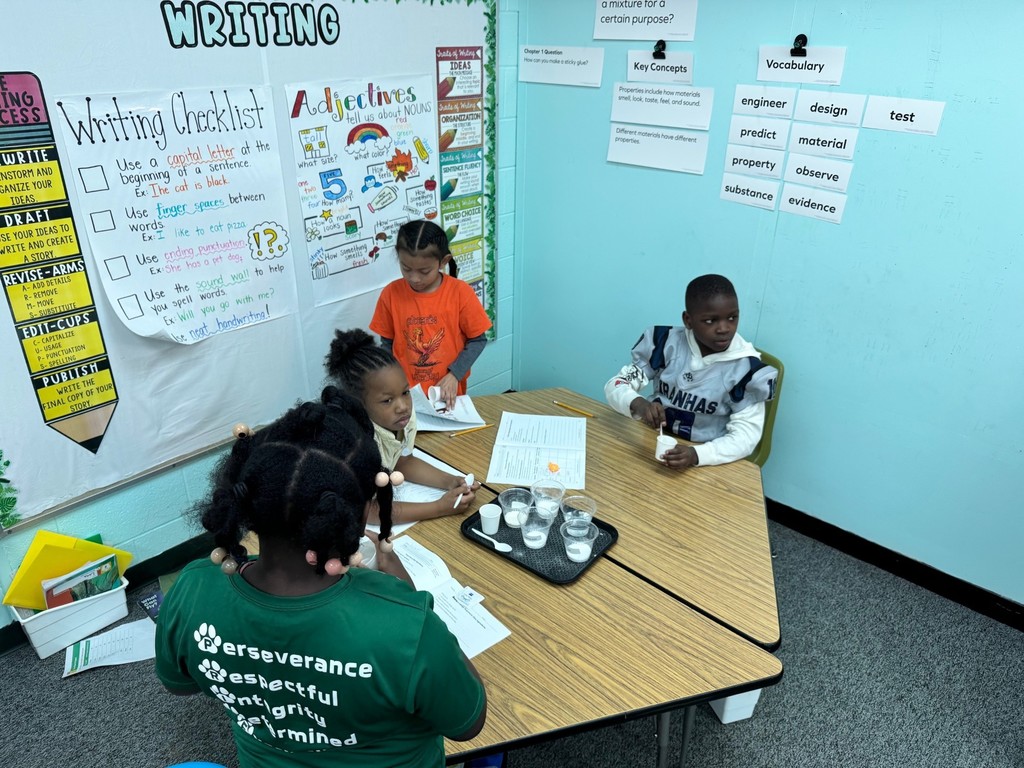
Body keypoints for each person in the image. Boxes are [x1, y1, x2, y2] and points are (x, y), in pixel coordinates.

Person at [154, 389, 487, 768]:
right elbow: (468, 723)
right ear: (361, 512)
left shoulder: (194, 588)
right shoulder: (404, 626)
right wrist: (412, 607)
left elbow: (177, 684)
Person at [604, 274, 777, 470]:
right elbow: (615, 385)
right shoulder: (664, 344)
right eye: (710, 321)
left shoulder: (745, 370)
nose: (724, 328)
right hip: (652, 442)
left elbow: (746, 437)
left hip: (707, 458)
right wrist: (638, 403)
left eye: (732, 318)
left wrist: (697, 455)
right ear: (688, 320)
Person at [326, 327, 480, 523]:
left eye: (405, 393)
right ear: (359, 405)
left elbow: (402, 461)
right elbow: (367, 511)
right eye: (387, 401)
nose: (403, 406)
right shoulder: (355, 445)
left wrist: (451, 481)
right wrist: (439, 507)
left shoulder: (401, 418)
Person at [370, 219, 492, 411]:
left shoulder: (460, 292)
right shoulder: (390, 294)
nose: (414, 278)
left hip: (447, 391)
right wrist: (389, 381)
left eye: (424, 271)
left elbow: (478, 340)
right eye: (406, 269)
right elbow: (386, 344)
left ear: (443, 262)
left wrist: (454, 375)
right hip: (405, 394)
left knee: (446, 441)